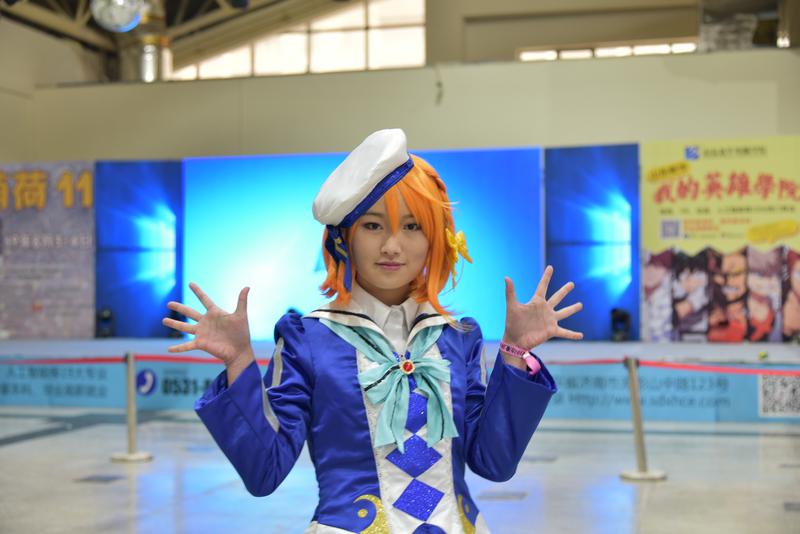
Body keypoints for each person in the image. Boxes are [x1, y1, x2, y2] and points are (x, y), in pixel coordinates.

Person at [163, 129, 583, 533]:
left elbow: (494, 462)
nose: (392, 246)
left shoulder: (458, 337)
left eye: (412, 226)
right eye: (373, 225)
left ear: (435, 239)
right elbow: (264, 471)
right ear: (343, 239)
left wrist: (514, 352)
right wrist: (239, 361)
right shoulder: (308, 340)